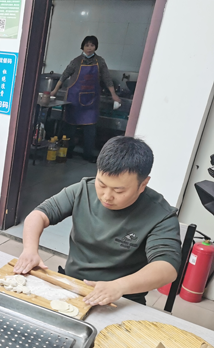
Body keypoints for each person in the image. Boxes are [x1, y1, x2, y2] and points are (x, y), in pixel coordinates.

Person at [13, 136, 181, 306]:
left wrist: (119, 286)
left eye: (119, 191)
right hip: (72, 286)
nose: (107, 196)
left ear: (143, 184)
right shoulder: (83, 190)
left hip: (122, 298)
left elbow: (167, 268)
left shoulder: (160, 215)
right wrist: (29, 250)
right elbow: (39, 215)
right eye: (101, 185)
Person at [50, 36, 121, 163]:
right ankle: (68, 151)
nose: (89, 48)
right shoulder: (76, 61)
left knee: (90, 130)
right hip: (74, 100)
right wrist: (55, 90)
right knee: (70, 128)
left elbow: (107, 78)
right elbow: (64, 76)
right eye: (87, 45)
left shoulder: (100, 61)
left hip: (91, 101)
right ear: (82, 47)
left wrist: (113, 94)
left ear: (96, 47)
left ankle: (88, 154)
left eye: (92, 45)